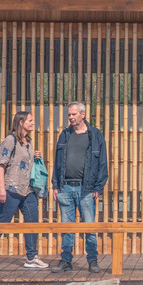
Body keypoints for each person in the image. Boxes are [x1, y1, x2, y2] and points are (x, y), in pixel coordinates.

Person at [0, 111, 47, 270]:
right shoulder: (10, 140)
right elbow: (0, 165)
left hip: (28, 190)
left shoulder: (28, 142)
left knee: (32, 222)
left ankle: (31, 257)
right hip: (11, 189)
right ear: (21, 123)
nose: (33, 123)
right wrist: (1, 188)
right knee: (2, 223)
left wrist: (35, 156)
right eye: (30, 120)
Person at [51, 101, 109, 273]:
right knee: (67, 227)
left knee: (89, 226)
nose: (70, 117)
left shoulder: (95, 135)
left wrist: (98, 187)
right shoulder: (64, 135)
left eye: (73, 114)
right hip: (65, 188)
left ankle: (92, 261)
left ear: (83, 115)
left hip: (86, 189)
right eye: (69, 114)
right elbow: (57, 161)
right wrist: (55, 185)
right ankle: (65, 261)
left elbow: (103, 163)